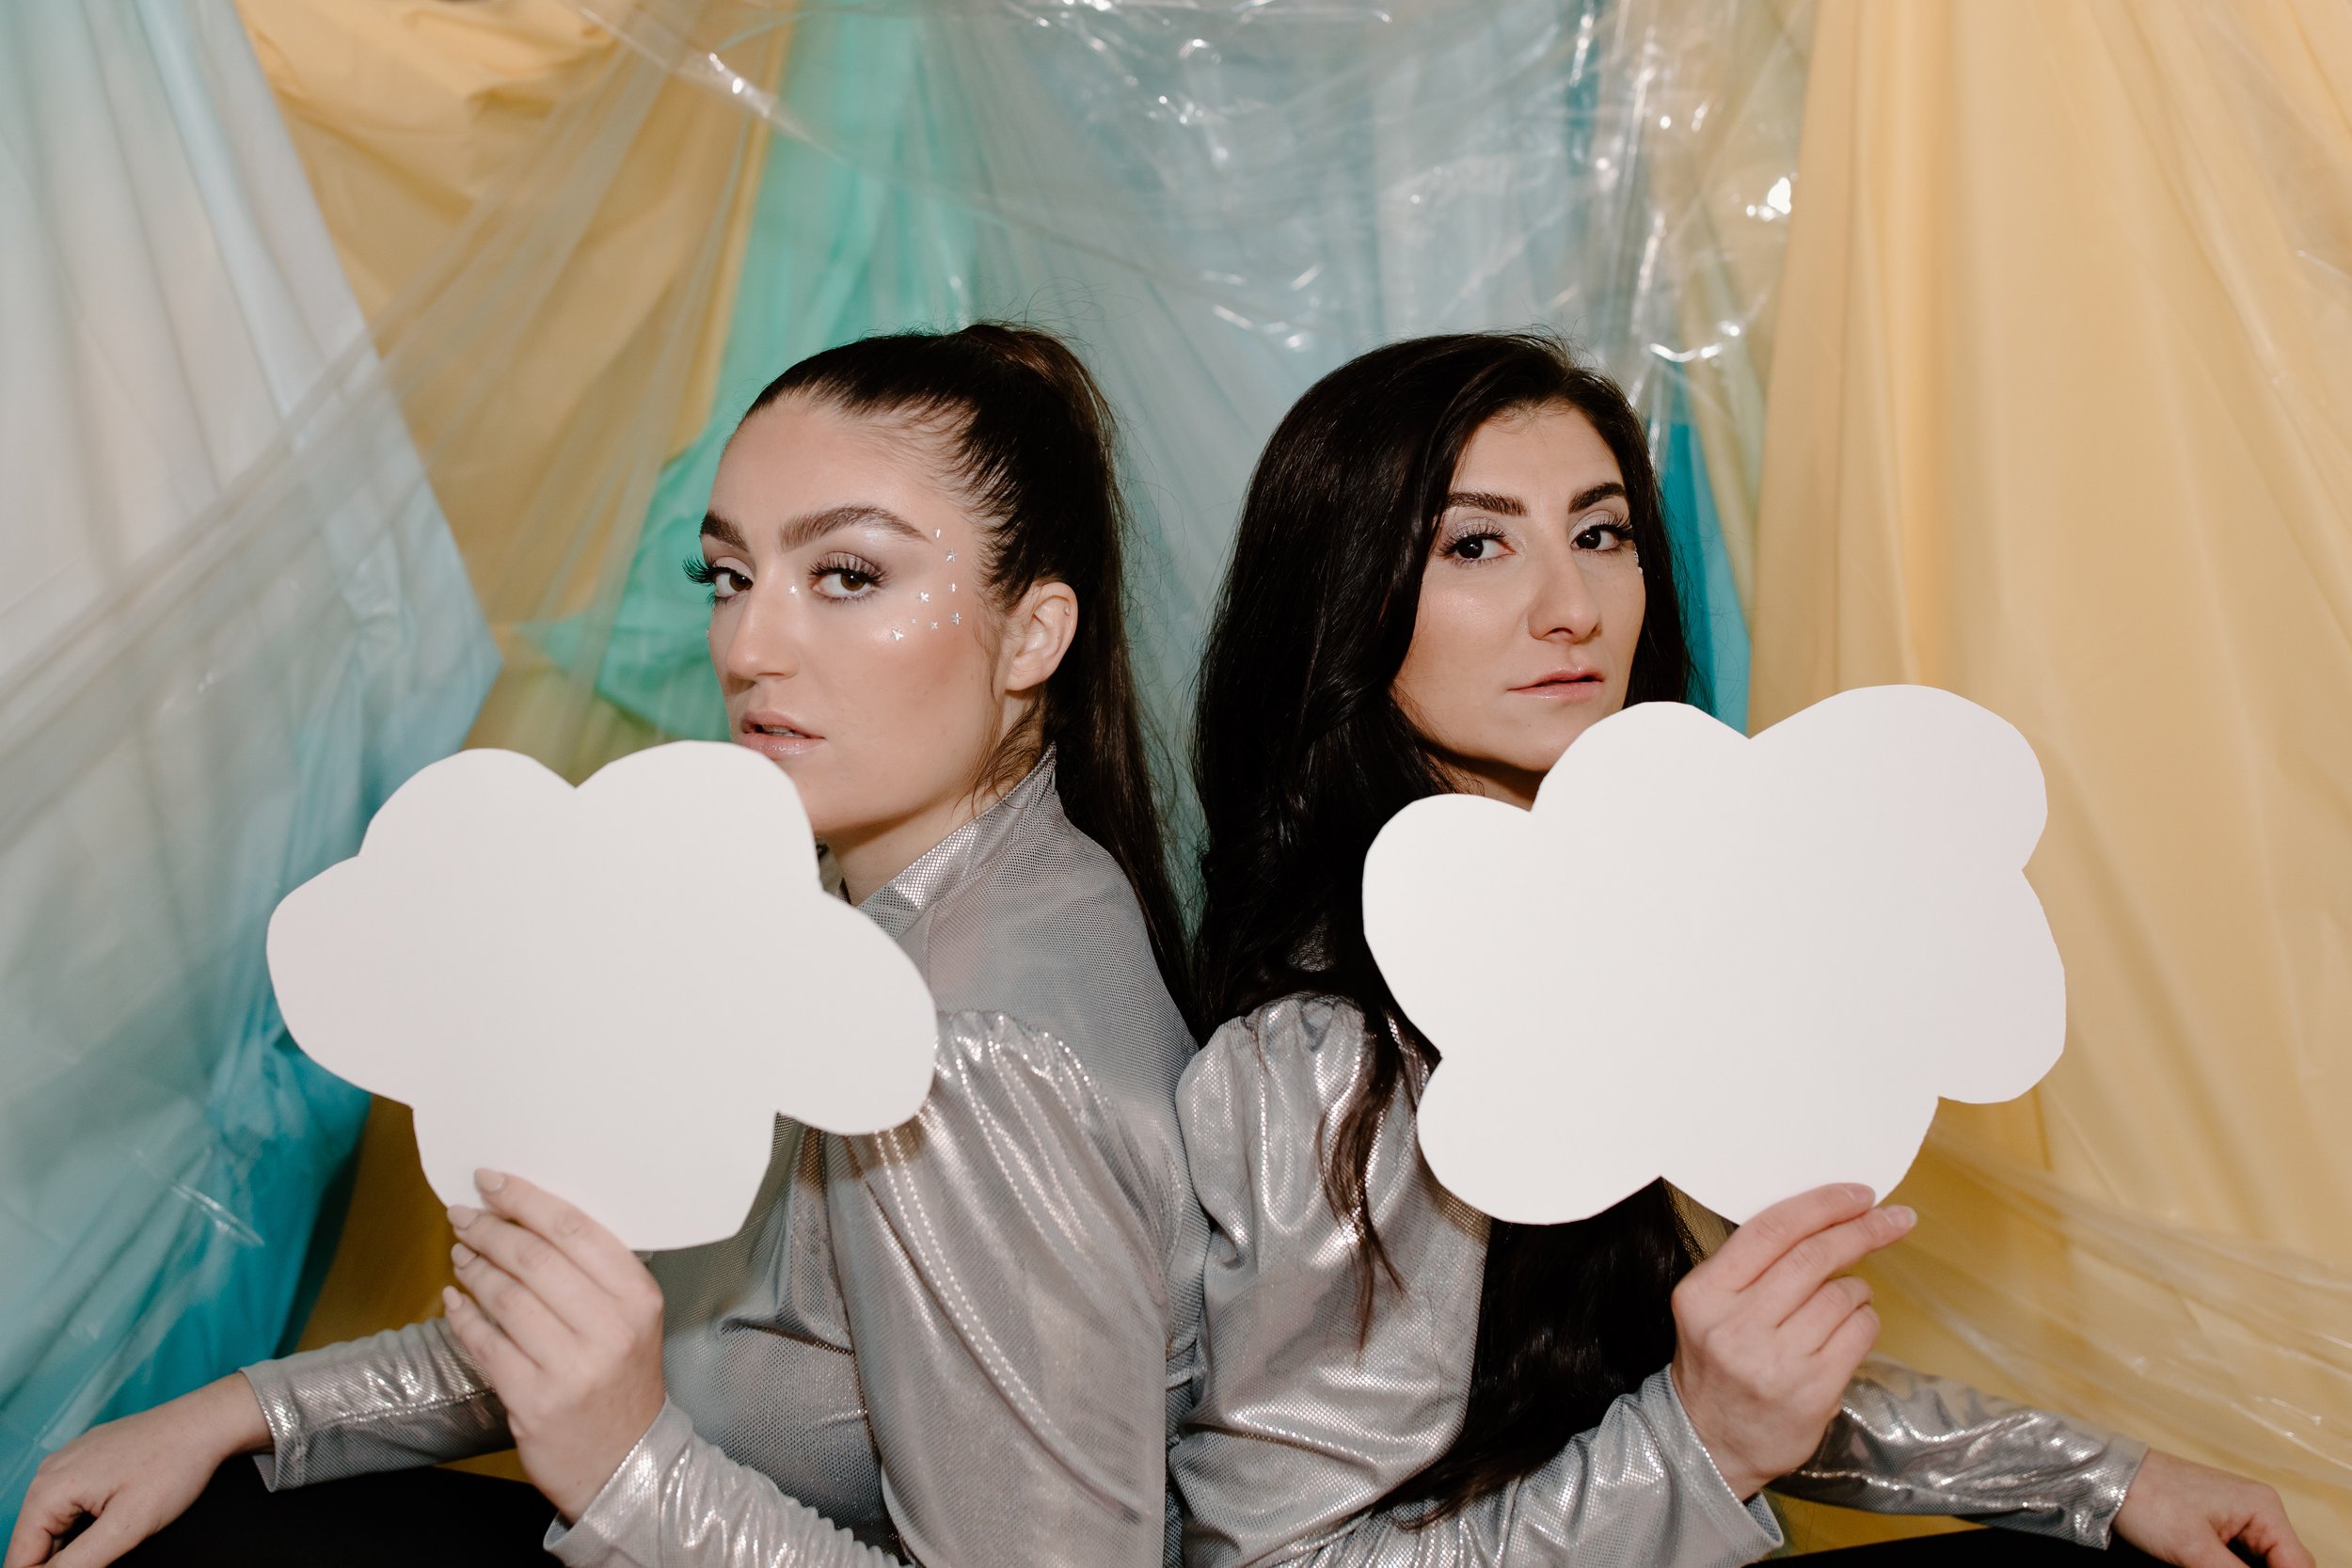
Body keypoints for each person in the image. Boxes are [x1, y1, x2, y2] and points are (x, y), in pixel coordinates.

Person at [10, 324, 1205, 1568]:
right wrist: (241, 1413)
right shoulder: (868, 915)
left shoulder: (970, 1058)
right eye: (728, 576)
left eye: (847, 576)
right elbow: (634, 1323)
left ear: (1033, 636)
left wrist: (630, 1469)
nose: (749, 648)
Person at [1172, 331, 2313, 1568]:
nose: (1571, 608)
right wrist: (1701, 1443)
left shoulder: (1611, 936)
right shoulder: (1341, 1056)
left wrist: (2099, 1477)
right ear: (1345, 597)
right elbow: (1283, 1558)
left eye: (1600, 534)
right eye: (1477, 544)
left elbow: (1647, 1373)